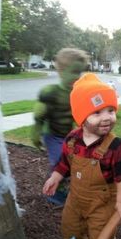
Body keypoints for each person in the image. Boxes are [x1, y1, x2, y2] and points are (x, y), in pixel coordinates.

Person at [42, 73, 121, 239]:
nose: (107, 117)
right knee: (69, 225)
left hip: (102, 203)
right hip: (76, 198)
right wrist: (56, 176)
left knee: (101, 234)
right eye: (97, 112)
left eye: (111, 110)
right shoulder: (73, 140)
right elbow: (65, 163)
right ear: (82, 117)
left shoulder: (116, 146)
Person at [31, 48, 89, 206]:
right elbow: (39, 116)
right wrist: (35, 135)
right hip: (52, 135)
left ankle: (65, 186)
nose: (77, 76)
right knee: (59, 161)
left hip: (68, 135)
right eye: (74, 71)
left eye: (80, 72)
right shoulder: (50, 93)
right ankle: (54, 193)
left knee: (75, 160)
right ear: (62, 70)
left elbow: (80, 116)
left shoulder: (76, 93)